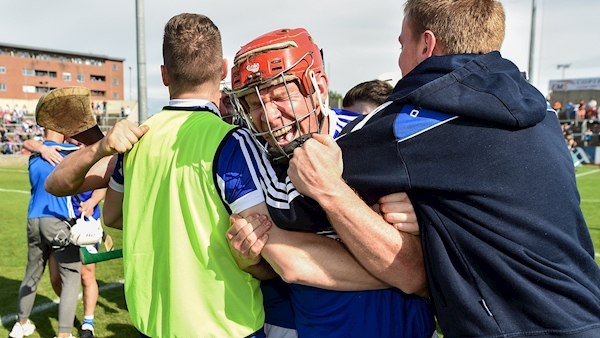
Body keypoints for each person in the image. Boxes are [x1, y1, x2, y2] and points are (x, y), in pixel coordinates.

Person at [285, 0, 600, 337]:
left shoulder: (410, 122)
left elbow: (300, 200)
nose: (400, 57)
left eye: (403, 43)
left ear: (426, 44)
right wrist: (432, 212)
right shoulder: (541, 111)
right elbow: (490, 199)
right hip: (585, 313)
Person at [226, 28, 434, 337]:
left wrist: (423, 216)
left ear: (319, 87)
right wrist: (410, 270)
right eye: (253, 103)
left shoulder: (372, 134)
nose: (268, 116)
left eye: (281, 95)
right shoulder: (241, 150)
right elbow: (292, 262)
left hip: (413, 327)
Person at [22, 138, 105, 338]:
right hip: (61, 224)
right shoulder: (64, 152)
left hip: (86, 224)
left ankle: (88, 323)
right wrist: (42, 148)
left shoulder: (93, 153)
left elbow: (103, 182)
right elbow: (28, 142)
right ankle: (69, 314)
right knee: (55, 277)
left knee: (86, 275)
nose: (73, 139)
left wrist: (92, 202)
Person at [10, 128, 80, 338]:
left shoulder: (35, 153)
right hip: (58, 220)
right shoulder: (70, 151)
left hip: (33, 220)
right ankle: (65, 334)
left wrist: (40, 146)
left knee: (32, 273)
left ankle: (21, 324)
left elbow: (27, 143)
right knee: (71, 276)